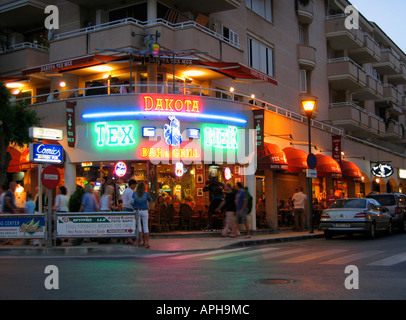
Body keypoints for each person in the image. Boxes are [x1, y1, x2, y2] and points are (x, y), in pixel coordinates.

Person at [131, 182, 152, 248]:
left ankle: (140, 241)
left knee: (139, 226)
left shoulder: (134, 194)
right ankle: (146, 242)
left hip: (137, 210)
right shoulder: (146, 194)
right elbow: (151, 200)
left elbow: (131, 202)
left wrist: (134, 206)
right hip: (144, 211)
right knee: (145, 226)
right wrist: (149, 207)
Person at [121, 179, 137, 244]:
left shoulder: (125, 191)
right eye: (135, 185)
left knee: (126, 224)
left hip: (125, 208)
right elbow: (131, 201)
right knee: (130, 224)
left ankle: (126, 238)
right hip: (129, 209)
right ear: (132, 185)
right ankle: (129, 238)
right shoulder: (130, 192)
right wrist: (134, 208)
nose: (135, 186)